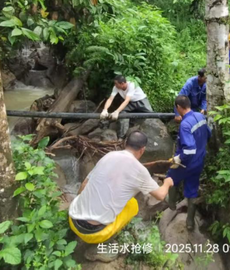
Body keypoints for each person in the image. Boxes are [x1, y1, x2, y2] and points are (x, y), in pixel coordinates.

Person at [69, 131, 174, 245]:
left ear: (125, 143)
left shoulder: (109, 156)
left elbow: (85, 184)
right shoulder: (139, 170)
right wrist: (167, 182)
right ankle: (114, 238)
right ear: (142, 150)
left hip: (73, 219)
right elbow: (160, 195)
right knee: (133, 204)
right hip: (94, 233)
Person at [166, 95, 211, 231]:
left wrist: (179, 159)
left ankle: (171, 205)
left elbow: (189, 149)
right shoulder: (200, 116)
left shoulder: (185, 125)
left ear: (179, 107)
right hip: (199, 161)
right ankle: (190, 222)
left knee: (171, 177)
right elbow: (208, 134)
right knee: (192, 189)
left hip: (186, 163)